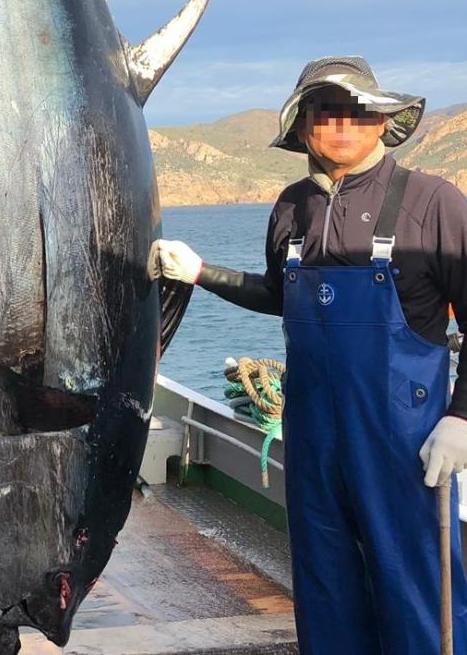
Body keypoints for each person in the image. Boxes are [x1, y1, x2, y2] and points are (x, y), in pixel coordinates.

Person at [149, 56, 467, 654]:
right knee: (325, 586)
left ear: (382, 121)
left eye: (356, 112)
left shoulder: (434, 203)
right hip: (314, 435)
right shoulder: (291, 207)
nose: (341, 126)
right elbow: (281, 296)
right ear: (302, 127)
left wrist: (462, 418)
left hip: (405, 441)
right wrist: (200, 273)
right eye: (326, 113)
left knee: (416, 586)